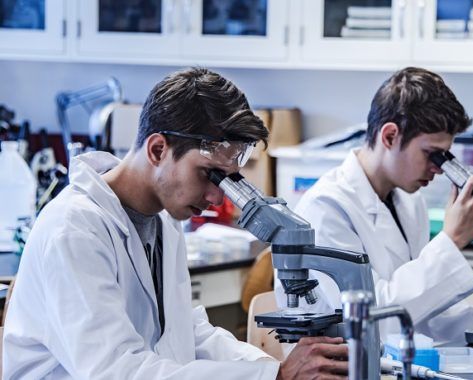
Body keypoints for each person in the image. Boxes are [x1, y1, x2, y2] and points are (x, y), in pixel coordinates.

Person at [3, 67, 347, 379]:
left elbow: (187, 332)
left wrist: (275, 371)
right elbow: (115, 371)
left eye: (227, 181)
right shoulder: (74, 230)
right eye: (208, 175)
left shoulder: (164, 220)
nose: (216, 198)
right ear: (157, 150)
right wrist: (275, 378)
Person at [275, 67, 473, 344]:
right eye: (432, 154)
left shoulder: (409, 201)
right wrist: (452, 239)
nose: (439, 169)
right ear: (390, 136)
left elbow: (426, 313)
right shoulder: (326, 208)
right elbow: (371, 320)